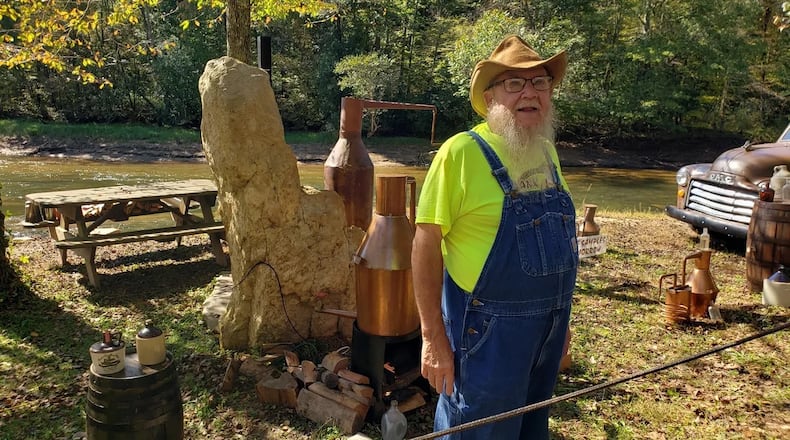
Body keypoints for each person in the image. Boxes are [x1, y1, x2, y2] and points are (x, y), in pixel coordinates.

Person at [412, 35, 578, 439]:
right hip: (486, 337)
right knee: (476, 432)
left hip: (547, 331)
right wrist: (433, 338)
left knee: (530, 430)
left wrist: (561, 322)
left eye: (540, 83)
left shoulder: (546, 152)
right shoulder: (461, 153)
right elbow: (425, 244)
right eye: (514, 84)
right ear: (490, 99)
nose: (530, 93)